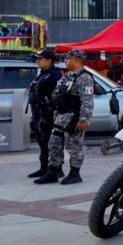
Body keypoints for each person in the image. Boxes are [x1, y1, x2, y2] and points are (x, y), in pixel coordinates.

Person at [34, 49, 94, 185]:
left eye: (68, 59)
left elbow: (87, 100)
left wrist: (84, 119)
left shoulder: (84, 77)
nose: (65, 61)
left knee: (74, 146)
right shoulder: (68, 76)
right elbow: (57, 92)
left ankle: (74, 173)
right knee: (54, 143)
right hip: (60, 116)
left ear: (77, 60)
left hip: (74, 117)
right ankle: (53, 172)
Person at [26, 48, 61, 178]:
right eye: (37, 59)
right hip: (38, 112)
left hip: (48, 113)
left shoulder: (54, 75)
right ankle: (43, 168)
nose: (37, 61)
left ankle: (54, 169)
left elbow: (57, 95)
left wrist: (50, 110)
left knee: (50, 142)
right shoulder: (42, 74)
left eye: (40, 59)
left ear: (49, 61)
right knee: (41, 140)